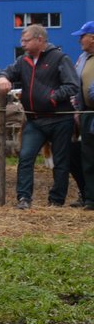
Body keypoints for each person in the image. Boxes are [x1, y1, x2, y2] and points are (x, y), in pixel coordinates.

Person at [0, 24, 80, 209]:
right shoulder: (22, 61)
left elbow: (72, 85)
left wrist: (53, 97)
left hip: (60, 119)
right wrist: (3, 78)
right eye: (22, 40)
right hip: (34, 120)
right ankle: (24, 198)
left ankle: (56, 201)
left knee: (60, 162)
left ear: (39, 40)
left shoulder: (60, 58)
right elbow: (7, 71)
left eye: (26, 40)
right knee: (25, 157)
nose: (22, 44)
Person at [69, 21, 94, 210]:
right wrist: (78, 107)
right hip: (86, 113)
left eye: (82, 36)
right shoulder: (83, 58)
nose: (79, 40)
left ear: (92, 38)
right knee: (87, 156)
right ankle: (90, 197)